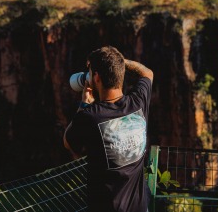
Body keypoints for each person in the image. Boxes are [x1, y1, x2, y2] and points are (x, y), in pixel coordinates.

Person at [63, 46, 153, 212]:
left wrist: (84, 104)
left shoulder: (90, 116)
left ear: (96, 77)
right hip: (140, 207)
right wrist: (119, 63)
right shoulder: (138, 103)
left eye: (90, 72)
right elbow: (147, 73)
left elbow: (68, 142)